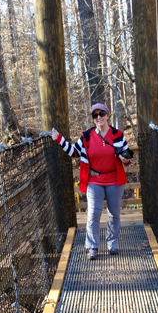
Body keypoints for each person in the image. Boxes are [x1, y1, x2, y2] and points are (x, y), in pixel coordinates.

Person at [52, 103, 132, 260]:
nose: (99, 117)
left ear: (107, 115)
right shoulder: (87, 136)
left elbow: (127, 153)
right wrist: (59, 139)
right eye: (95, 115)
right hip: (94, 179)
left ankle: (112, 244)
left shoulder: (117, 135)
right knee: (93, 213)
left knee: (114, 213)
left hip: (114, 179)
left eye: (101, 114)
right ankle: (92, 247)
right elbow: (74, 151)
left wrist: (125, 158)